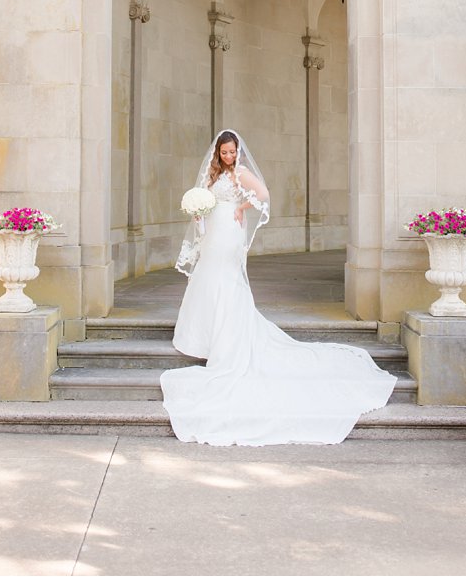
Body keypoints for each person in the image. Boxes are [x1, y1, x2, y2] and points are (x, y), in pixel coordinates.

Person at [160, 129, 396, 445]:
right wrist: (198, 212)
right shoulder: (213, 173)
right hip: (212, 231)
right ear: (217, 152)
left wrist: (242, 209)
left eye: (232, 152)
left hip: (230, 232)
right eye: (224, 152)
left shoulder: (241, 172)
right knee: (206, 277)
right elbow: (204, 203)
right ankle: (201, 340)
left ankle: (227, 343)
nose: (228, 157)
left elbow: (264, 194)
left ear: (237, 151)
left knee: (225, 279)